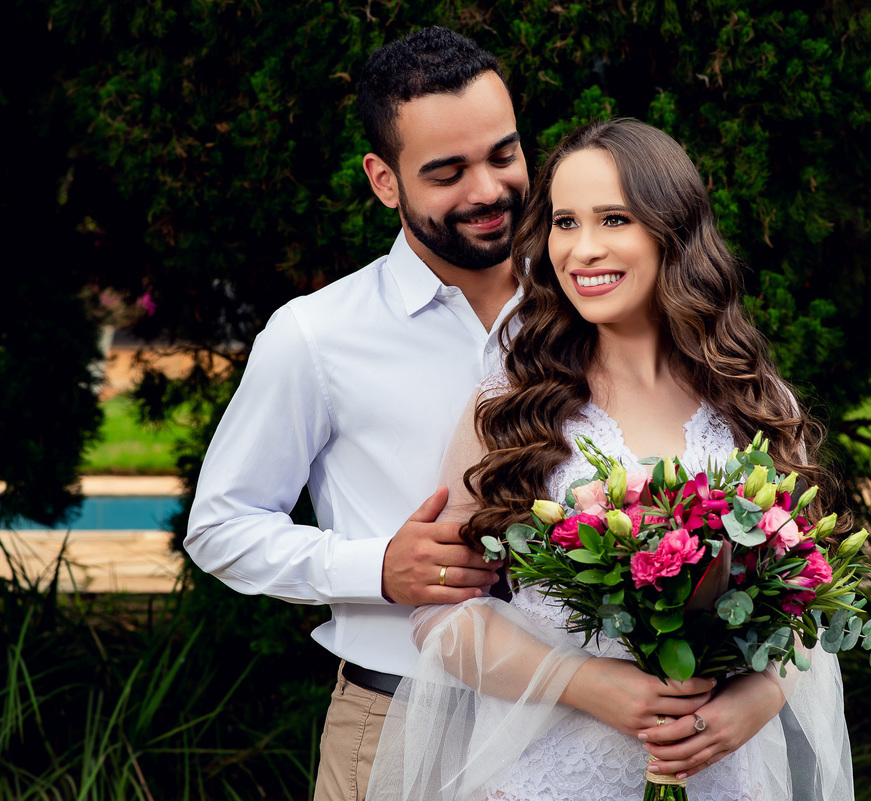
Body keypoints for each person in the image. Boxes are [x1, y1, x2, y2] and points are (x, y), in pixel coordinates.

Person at [184, 30, 719, 801]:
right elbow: (220, 527)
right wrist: (375, 568)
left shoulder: (591, 293)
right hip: (398, 722)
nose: (488, 189)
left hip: (594, 736)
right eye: (447, 172)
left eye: (502, 155)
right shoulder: (316, 336)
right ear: (384, 179)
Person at [365, 119, 853, 801]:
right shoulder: (513, 407)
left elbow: (803, 596)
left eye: (614, 218)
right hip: (551, 772)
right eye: (565, 222)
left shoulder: (753, 400)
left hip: (722, 775)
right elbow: (441, 617)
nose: (582, 249)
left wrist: (763, 695)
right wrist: (587, 683)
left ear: (672, 231)